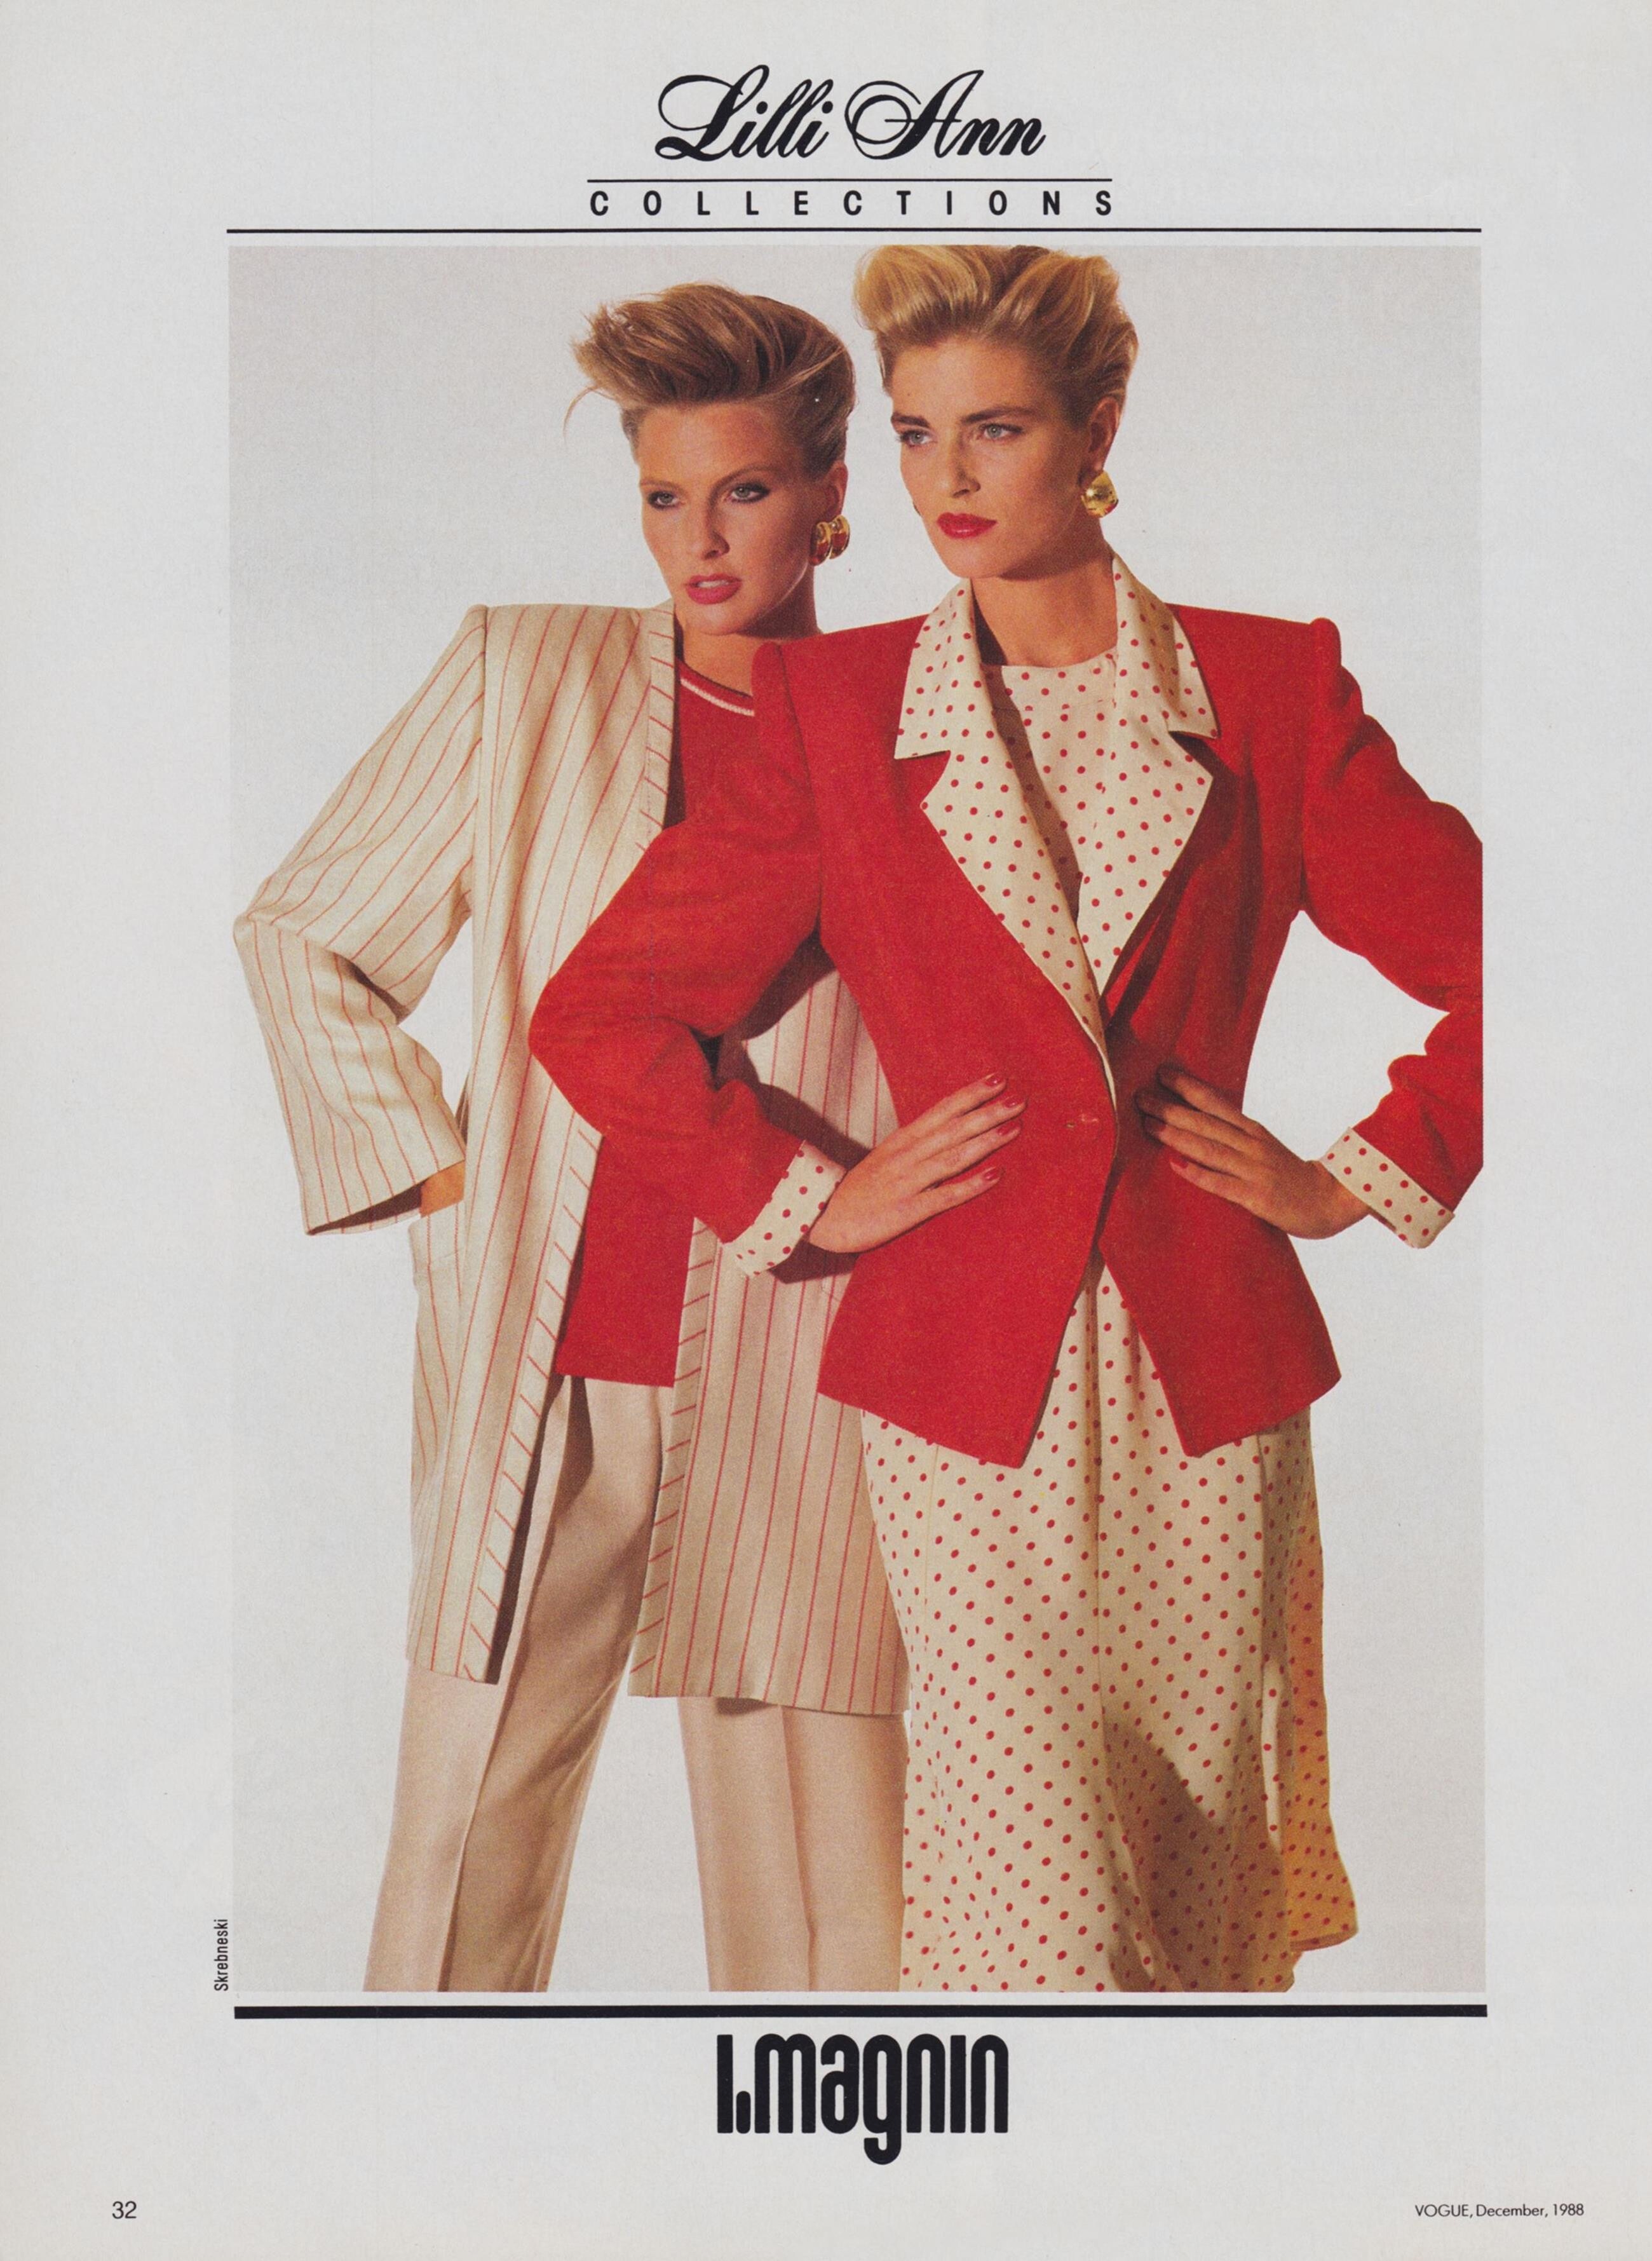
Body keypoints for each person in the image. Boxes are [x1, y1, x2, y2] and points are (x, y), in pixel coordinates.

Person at [531, 243, 1482, 1992]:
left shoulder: (1268, 691)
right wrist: (813, 1196)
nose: (947, 480)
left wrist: (1352, 1176)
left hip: (1210, 1367)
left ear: (1097, 431)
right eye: (914, 434)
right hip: (964, 1381)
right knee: (1025, 1897)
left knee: (1192, 1889)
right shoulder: (837, 714)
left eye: (998, 429)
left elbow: (1553, 968)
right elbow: (600, 1016)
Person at [235, 282, 912, 1993]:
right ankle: (420, 2124)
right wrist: (441, 1172)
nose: (701, 539)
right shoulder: (528, 674)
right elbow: (303, 930)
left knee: (823, 1867)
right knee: (473, 1816)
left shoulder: (920, 714)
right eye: (665, 496)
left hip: (808, 1341)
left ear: (833, 493)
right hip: (556, 1342)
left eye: (744, 490)